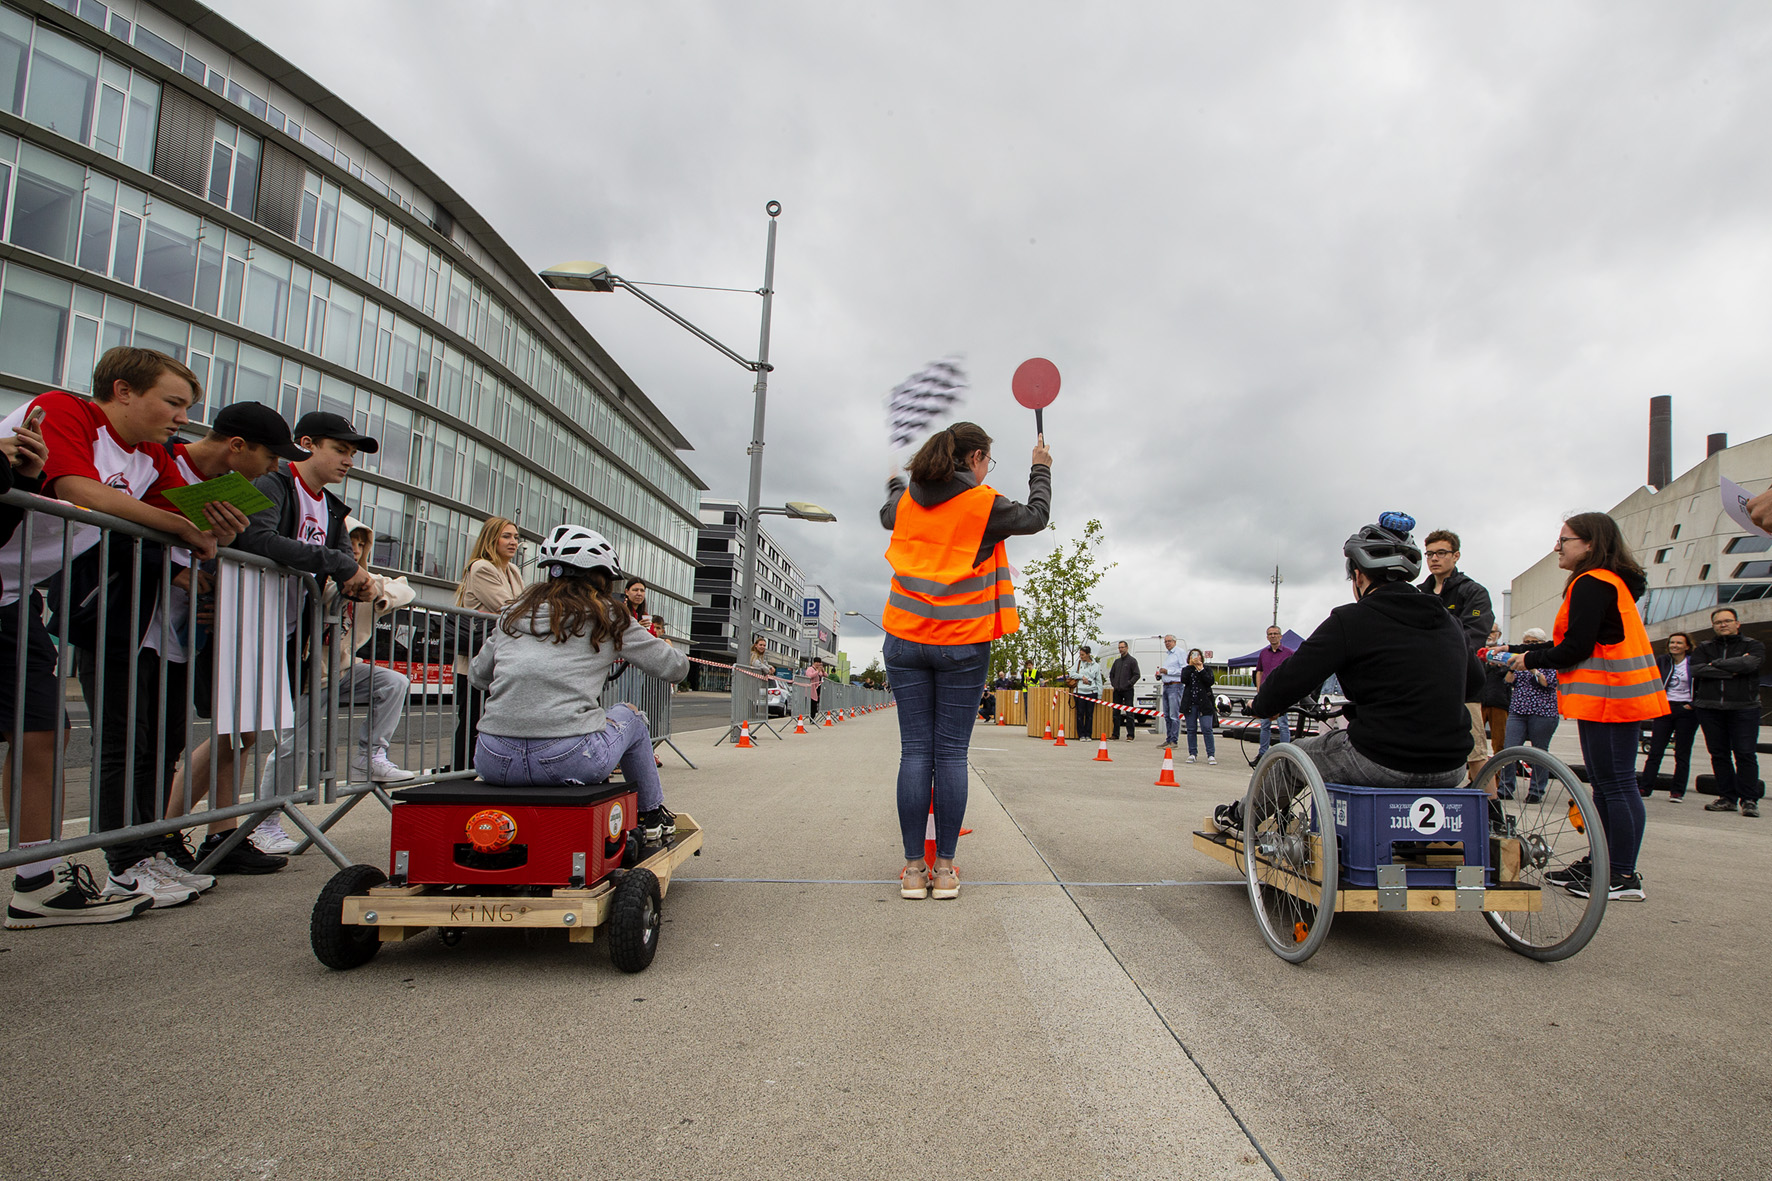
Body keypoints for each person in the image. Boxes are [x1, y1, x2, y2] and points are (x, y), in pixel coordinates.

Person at [2, 349, 247, 924]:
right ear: (123, 391)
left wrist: (213, 526)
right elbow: (77, 490)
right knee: (69, 733)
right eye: (173, 402)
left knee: (43, 732)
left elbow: (189, 525)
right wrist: (186, 526)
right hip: (25, 593)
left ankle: (35, 884)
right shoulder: (64, 410)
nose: (183, 418)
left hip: (12, 598)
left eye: (188, 406)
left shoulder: (151, 457)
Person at [1214, 516, 1481, 837]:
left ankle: (1241, 819)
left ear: (1358, 575)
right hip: (1450, 768)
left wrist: (1262, 705)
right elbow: (1476, 683)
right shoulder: (1449, 620)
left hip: (1380, 760)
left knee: (1287, 759)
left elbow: (1290, 680)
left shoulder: (1351, 619)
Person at [880, 421, 1049, 901]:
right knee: (950, 754)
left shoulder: (908, 503)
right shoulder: (983, 504)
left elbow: (886, 513)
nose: (986, 469)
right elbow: (1036, 517)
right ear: (974, 459)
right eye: (987, 461)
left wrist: (897, 485)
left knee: (915, 752)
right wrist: (1040, 469)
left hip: (905, 640)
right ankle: (947, 870)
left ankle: (914, 870)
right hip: (961, 643)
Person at [471, 525, 687, 840]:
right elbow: (673, 669)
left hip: (494, 759)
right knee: (632, 717)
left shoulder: (513, 613)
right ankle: (651, 815)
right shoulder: (609, 616)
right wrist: (669, 651)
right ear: (603, 578)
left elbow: (478, 675)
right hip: (568, 760)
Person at [1505, 512, 1667, 901]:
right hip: (1609, 697)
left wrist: (1529, 660)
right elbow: (1580, 642)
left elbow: (1575, 647)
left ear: (1590, 544)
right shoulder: (1604, 582)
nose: (1557, 547)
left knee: (1617, 784)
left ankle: (1623, 874)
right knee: (1607, 785)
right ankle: (1604, 865)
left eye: (1564, 540)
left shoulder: (1592, 582)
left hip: (1614, 697)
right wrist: (1520, 651)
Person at [259, 515, 417, 799]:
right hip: (308, 675)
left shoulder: (367, 584)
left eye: (361, 544)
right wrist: (363, 587)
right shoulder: (314, 579)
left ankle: (369, 757)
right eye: (349, 541)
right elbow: (329, 593)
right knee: (292, 746)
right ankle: (265, 822)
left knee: (394, 683)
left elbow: (406, 587)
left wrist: (379, 593)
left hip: (341, 670)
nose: (355, 549)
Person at [1419, 529, 1496, 784]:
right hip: (1424, 687)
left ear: (1456, 555)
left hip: (1463, 687)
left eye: (1441, 553)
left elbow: (1474, 636)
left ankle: (1492, 812)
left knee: (1474, 752)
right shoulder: (1418, 594)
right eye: (1429, 553)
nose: (1434, 559)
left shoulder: (1473, 592)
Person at [452, 516, 525, 771]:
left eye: (515, 537)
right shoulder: (481, 567)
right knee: (473, 719)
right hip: (478, 660)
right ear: (491, 539)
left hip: (502, 661)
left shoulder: (513, 571)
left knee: (494, 719)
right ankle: (462, 771)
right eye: (506, 536)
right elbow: (510, 608)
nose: (513, 542)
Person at [1691, 607, 1764, 817]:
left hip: (1744, 708)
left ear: (1737, 624)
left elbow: (1750, 664)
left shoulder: (1753, 645)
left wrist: (1716, 665)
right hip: (1709, 707)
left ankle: (1749, 799)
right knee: (1719, 754)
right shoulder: (1704, 647)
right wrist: (1732, 670)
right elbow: (1696, 669)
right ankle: (1727, 798)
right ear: (1713, 625)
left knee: (1745, 753)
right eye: (1718, 622)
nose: (1723, 625)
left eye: (1727, 621)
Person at [1498, 628, 1559, 802]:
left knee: (1539, 753)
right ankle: (1505, 787)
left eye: (1534, 642)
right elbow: (1508, 682)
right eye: (1527, 642)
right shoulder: (1519, 660)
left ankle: (1536, 791)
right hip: (1518, 711)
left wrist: (1533, 669)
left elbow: (1547, 683)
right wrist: (1511, 668)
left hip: (1542, 712)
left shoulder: (1548, 659)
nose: (1530, 645)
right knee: (1509, 749)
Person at [1639, 632, 1699, 802]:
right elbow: (1653, 681)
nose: (1675, 645)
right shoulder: (1663, 661)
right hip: (1665, 708)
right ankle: (1645, 787)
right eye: (1672, 642)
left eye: (1679, 643)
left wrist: (1691, 705)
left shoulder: (1693, 662)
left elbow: (1703, 685)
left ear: (1687, 646)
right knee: (1655, 750)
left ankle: (1677, 791)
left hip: (1686, 710)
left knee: (1682, 752)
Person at [1253, 626, 1295, 756]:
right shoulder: (1264, 653)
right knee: (1265, 724)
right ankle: (1262, 753)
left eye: (1275, 633)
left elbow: (1294, 672)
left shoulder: (1289, 653)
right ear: (1267, 637)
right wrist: (1259, 689)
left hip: (1281, 694)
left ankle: (1285, 753)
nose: (1273, 636)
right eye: (1270, 634)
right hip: (1266, 693)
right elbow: (1259, 671)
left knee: (1283, 724)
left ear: (1280, 636)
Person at [1179, 648, 1217, 764]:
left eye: (1198, 655)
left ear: (1201, 657)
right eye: (1193, 655)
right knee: (1191, 729)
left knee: (1207, 728)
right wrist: (1191, 666)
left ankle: (1211, 754)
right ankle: (1192, 753)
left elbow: (1210, 681)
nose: (1196, 657)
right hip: (1190, 703)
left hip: (1204, 703)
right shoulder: (1187, 669)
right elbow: (1184, 680)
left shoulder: (1206, 669)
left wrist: (1201, 670)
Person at [1479, 625, 1511, 758]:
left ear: (1499, 634)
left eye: (1492, 632)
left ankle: (1499, 778)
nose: (1489, 634)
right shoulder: (1477, 651)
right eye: (1488, 631)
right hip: (1479, 701)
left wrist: (1496, 663)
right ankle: (1475, 778)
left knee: (1500, 743)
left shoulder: (1505, 654)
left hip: (1499, 701)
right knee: (1476, 743)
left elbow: (1508, 675)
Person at [1155, 634, 1186, 747]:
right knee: (1167, 715)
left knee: (1174, 714)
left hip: (1175, 686)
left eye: (1169, 641)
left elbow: (1184, 669)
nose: (1167, 643)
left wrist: (1168, 671)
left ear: (1174, 642)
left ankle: (1174, 740)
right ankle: (1169, 738)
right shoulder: (1168, 655)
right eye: (1166, 642)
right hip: (1166, 685)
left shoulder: (1180, 653)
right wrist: (1160, 675)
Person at [1109, 640, 1141, 740]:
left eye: (1122, 647)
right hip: (1117, 690)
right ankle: (1115, 734)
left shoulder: (1132, 661)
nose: (1121, 649)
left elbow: (1137, 675)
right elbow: (1111, 674)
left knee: (1129, 713)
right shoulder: (1117, 662)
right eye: (1119, 648)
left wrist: (1129, 683)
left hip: (1128, 690)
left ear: (1127, 648)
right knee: (1115, 713)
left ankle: (1130, 734)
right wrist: (1114, 684)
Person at [1071, 644, 1102, 741]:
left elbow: (1099, 681)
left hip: (1091, 692)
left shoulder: (1096, 666)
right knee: (1080, 714)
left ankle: (1088, 734)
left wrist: (1099, 695)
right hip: (1080, 692)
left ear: (1088, 654)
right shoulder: (1078, 663)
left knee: (1089, 715)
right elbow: (1071, 673)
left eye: (1083, 655)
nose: (1081, 656)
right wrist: (1081, 677)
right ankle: (1081, 735)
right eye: (1080, 654)